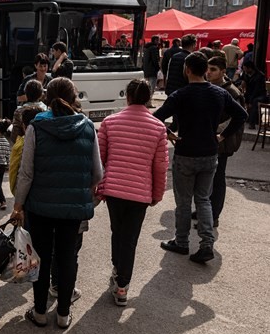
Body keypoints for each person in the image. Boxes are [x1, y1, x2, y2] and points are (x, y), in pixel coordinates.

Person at [11, 77, 102, 329]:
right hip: (72, 209)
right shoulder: (87, 126)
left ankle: (39, 312)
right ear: (74, 97)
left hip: (40, 207)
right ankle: (63, 315)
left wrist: (18, 205)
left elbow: (26, 173)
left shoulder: (36, 127)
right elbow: (98, 174)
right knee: (67, 257)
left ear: (46, 99)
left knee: (42, 257)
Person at [154, 52, 247, 263]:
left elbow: (156, 117)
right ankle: (206, 243)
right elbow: (242, 115)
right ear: (205, 70)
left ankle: (182, 241)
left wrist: (169, 133)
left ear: (187, 70)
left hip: (186, 152)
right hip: (210, 153)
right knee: (204, 199)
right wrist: (222, 136)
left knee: (184, 201)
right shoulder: (219, 94)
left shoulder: (180, 95)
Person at [97, 79, 169, 306]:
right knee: (130, 239)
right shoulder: (158, 127)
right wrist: (157, 194)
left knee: (116, 232)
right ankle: (122, 287)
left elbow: (100, 160)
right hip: (140, 193)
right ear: (148, 98)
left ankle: (117, 270)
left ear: (127, 96)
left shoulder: (110, 122)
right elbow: (160, 165)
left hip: (114, 190)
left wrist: (98, 188)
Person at [197, 57, 245, 227]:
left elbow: (237, 118)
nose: (208, 72)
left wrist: (216, 131)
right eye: (207, 69)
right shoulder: (209, 87)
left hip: (221, 141)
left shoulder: (231, 91)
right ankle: (204, 210)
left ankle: (213, 216)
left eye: (213, 69)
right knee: (206, 177)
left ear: (223, 71)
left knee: (217, 178)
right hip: (208, 140)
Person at [9, 107, 45, 196]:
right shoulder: (49, 140)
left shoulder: (20, 145)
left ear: (24, 126)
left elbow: (20, 175)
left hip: (29, 196)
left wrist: (18, 201)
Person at [10, 80, 47, 144]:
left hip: (25, 146)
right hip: (43, 144)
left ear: (26, 94)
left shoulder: (19, 111)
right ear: (41, 94)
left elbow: (15, 137)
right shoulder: (46, 110)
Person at [241, 60, 268, 129]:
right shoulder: (245, 74)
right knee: (241, 98)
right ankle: (243, 118)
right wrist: (242, 82)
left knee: (255, 101)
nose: (245, 71)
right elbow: (239, 80)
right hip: (249, 94)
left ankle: (252, 123)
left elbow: (257, 90)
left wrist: (250, 101)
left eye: (245, 69)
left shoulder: (260, 76)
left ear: (250, 68)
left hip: (260, 95)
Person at [142, 35, 161, 104]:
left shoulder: (146, 48)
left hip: (146, 69)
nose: (159, 42)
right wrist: (158, 68)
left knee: (146, 87)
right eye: (158, 40)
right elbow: (155, 59)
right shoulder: (154, 48)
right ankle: (148, 102)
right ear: (155, 40)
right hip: (152, 70)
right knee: (151, 87)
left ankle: (145, 102)